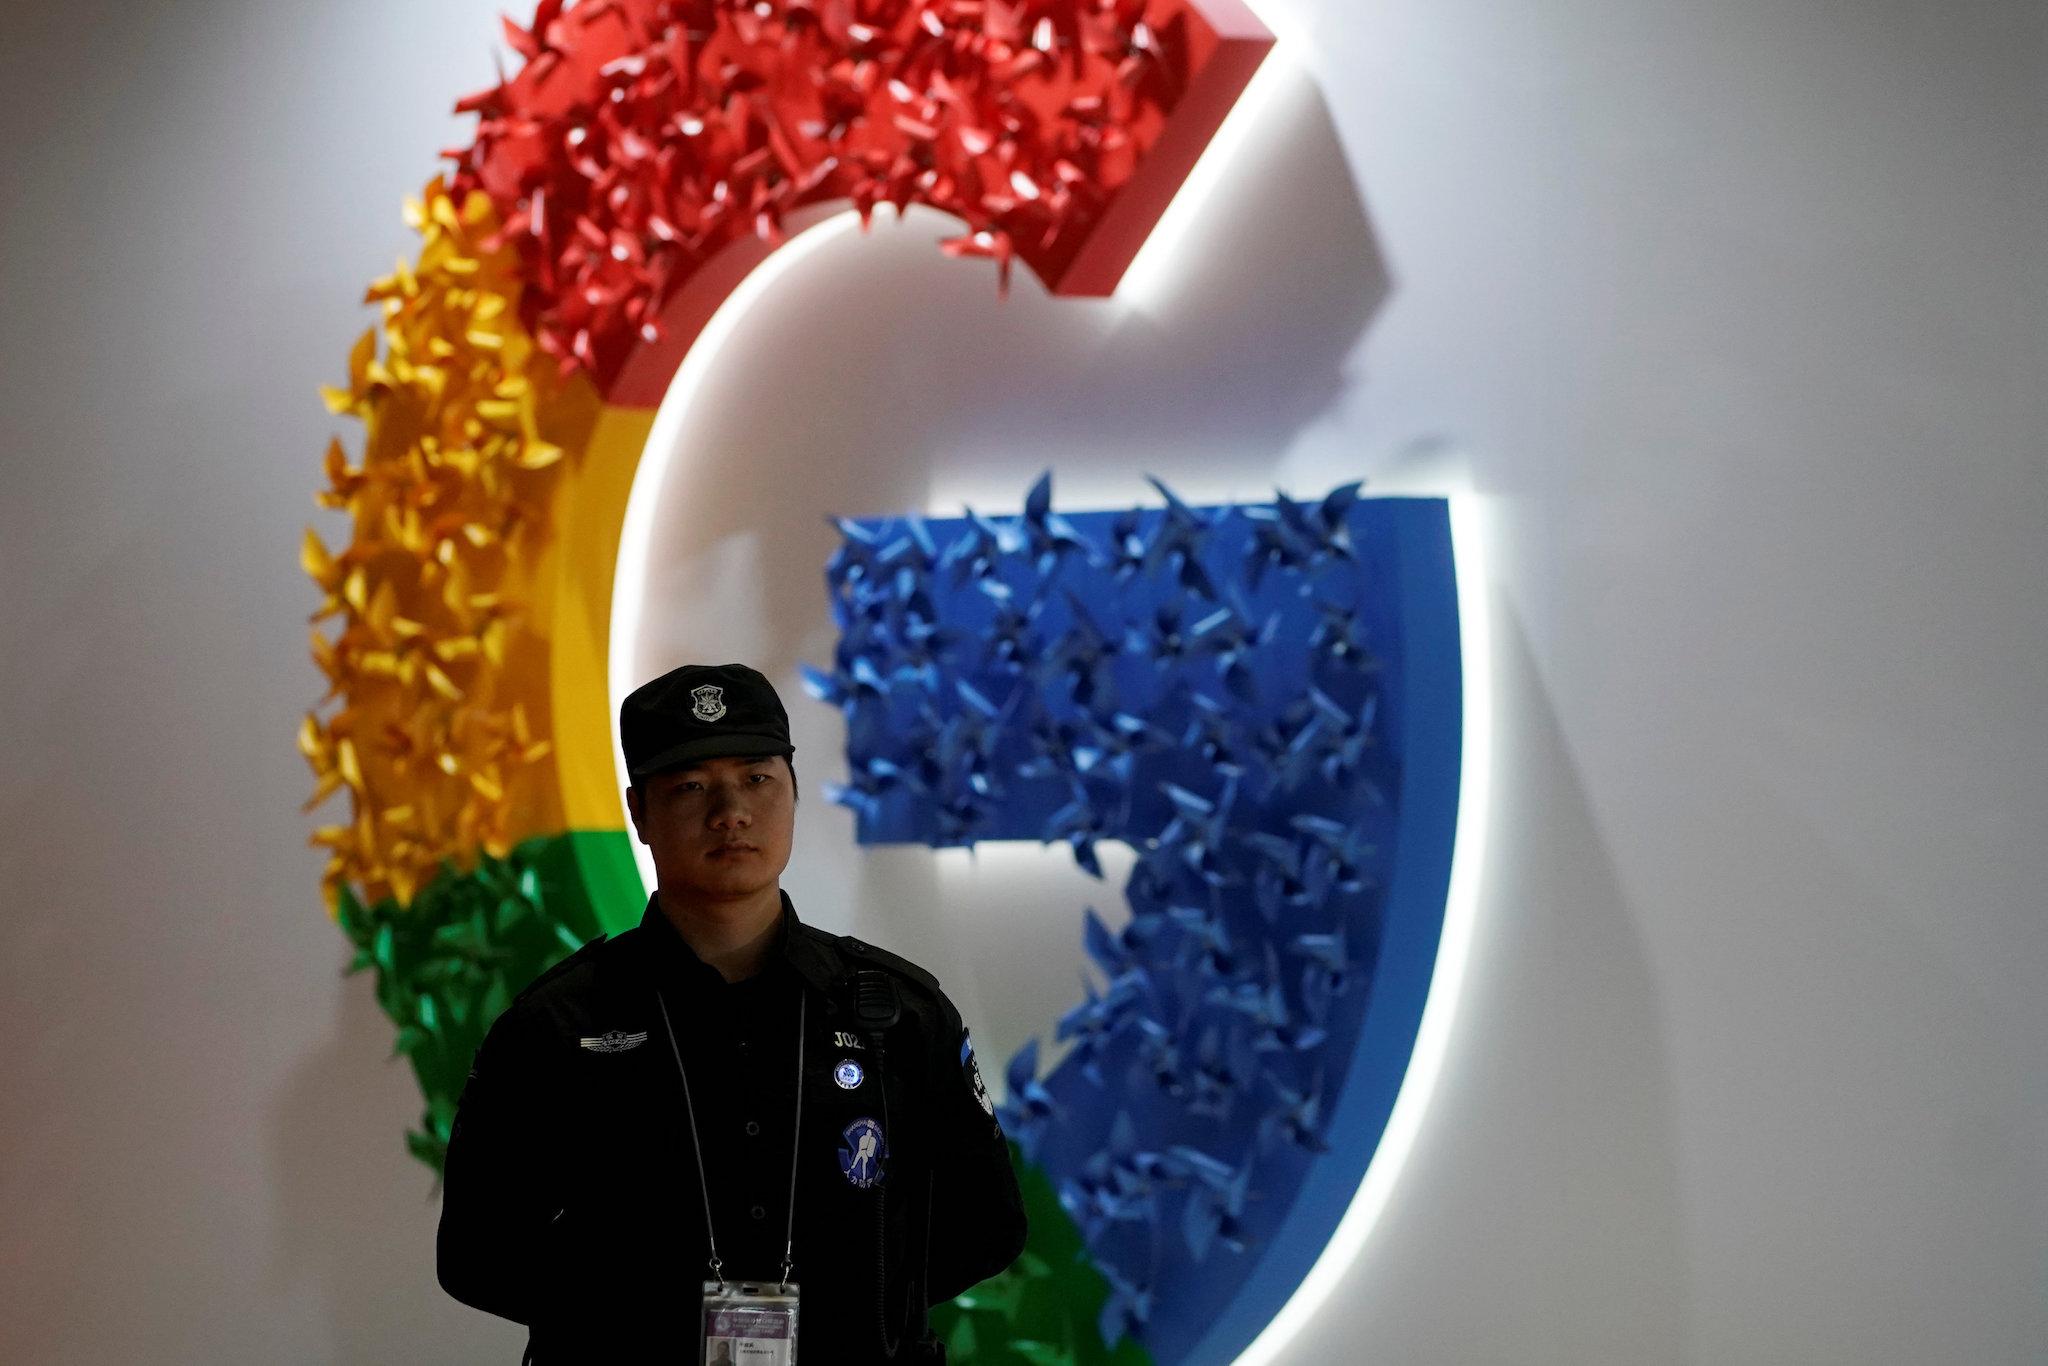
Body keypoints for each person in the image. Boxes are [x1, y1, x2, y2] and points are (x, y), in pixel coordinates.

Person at [436, 662, 1028, 1363]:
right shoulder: (559, 1026)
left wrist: (856, 1316)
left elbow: (985, 1224)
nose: (730, 814)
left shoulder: (896, 1012)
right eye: (691, 787)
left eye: (756, 779)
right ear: (640, 813)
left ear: (794, 794)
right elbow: (479, 1255)